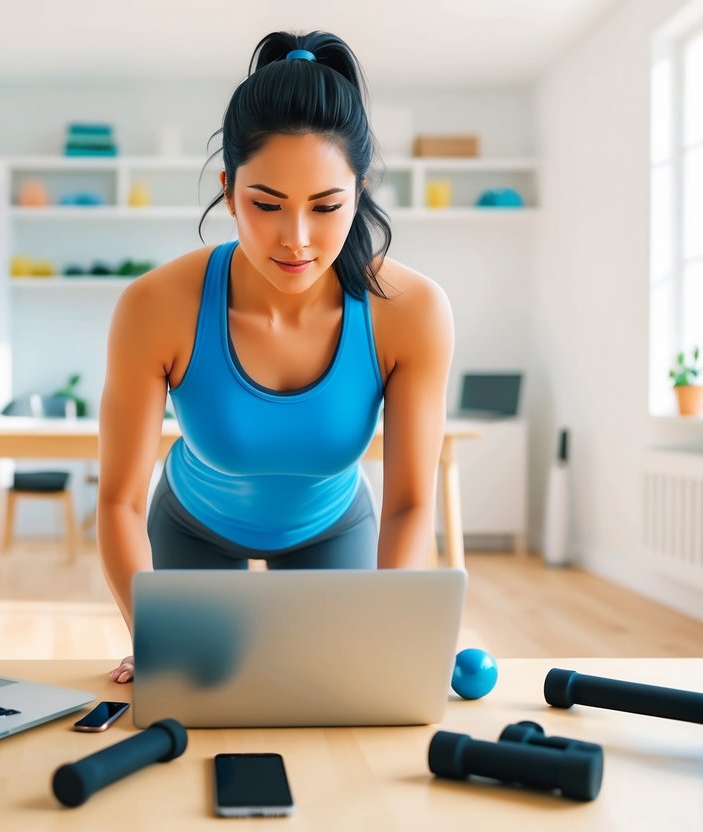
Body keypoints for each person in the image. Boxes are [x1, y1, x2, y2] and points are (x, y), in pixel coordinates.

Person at [97, 31, 454, 684]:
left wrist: (388, 630)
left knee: (336, 687)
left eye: (325, 207)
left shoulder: (412, 311)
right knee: (201, 687)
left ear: (360, 190)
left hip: (331, 528)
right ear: (229, 190)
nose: (295, 240)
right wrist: (153, 632)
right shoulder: (155, 306)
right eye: (265, 205)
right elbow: (117, 503)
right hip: (191, 528)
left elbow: (408, 506)